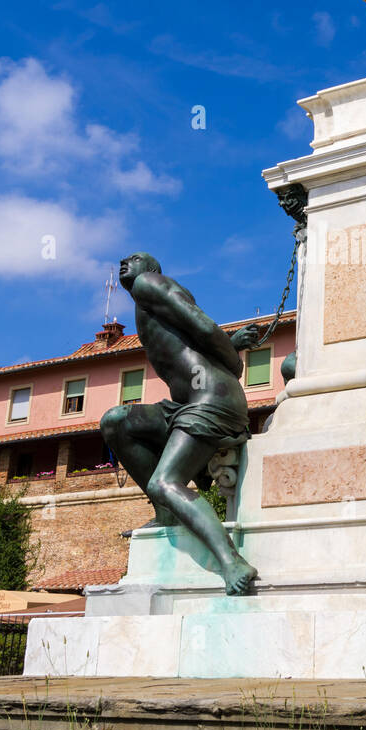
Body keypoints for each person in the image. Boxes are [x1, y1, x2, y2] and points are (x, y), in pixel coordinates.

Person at [101, 253, 259, 595]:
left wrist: (234, 361)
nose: (126, 261)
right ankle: (167, 513)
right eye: (124, 259)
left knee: (165, 481)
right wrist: (230, 346)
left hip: (211, 399)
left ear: (153, 269)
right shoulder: (148, 299)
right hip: (185, 403)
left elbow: (202, 325)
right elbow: (191, 343)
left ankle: (232, 561)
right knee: (117, 422)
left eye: (137, 258)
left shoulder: (150, 283)